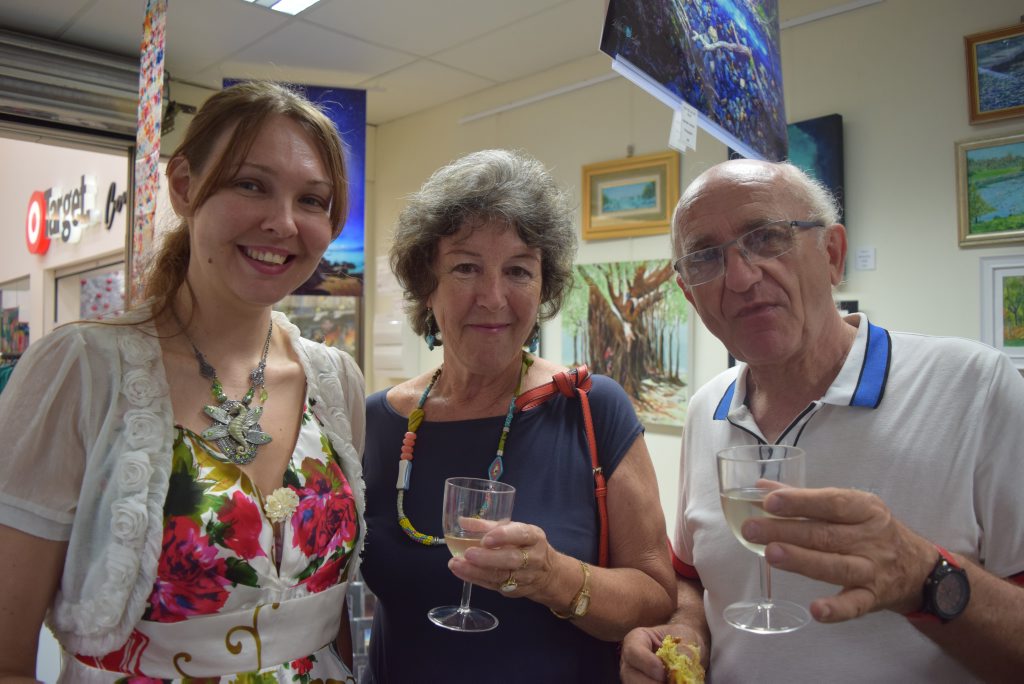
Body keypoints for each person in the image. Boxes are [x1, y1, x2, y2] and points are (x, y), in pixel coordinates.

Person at [0, 81, 366, 681]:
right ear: (184, 186)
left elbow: (330, 621)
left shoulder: (334, 380)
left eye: (312, 201)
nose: (282, 222)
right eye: (251, 185)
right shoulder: (82, 369)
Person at [620, 159, 1024, 683]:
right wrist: (687, 633)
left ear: (832, 255)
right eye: (706, 258)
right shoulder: (706, 408)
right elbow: (693, 580)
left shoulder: (974, 386)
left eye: (766, 238)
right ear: (688, 293)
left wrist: (926, 579)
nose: (740, 277)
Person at [361, 149, 676, 683]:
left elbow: (656, 597)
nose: (493, 297)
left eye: (518, 271)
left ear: (542, 285)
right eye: (466, 267)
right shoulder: (376, 421)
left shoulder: (590, 406)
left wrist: (552, 576)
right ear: (426, 284)